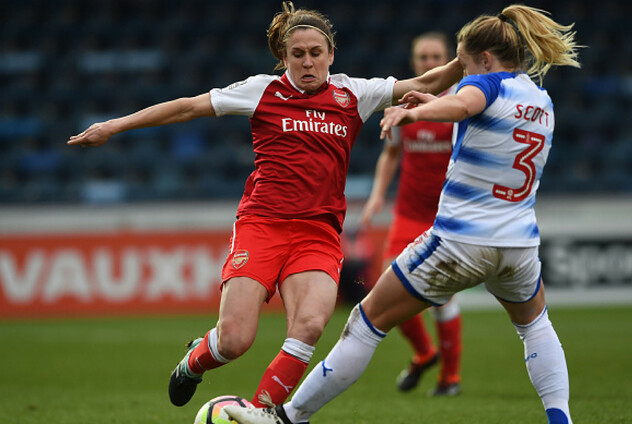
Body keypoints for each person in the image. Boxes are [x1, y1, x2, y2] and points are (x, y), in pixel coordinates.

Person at [67, 1, 463, 411]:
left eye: (316, 53)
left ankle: (259, 414)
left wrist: (466, 57)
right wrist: (114, 125)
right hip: (262, 225)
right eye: (297, 54)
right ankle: (193, 362)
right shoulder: (262, 90)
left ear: (331, 55)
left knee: (309, 327)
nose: (307, 62)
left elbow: (430, 81)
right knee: (235, 340)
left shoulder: (353, 92)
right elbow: (187, 106)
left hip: (318, 233)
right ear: (284, 57)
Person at [225, 4, 581, 424]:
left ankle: (288, 417)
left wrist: (414, 112)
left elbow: (464, 104)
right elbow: (477, 115)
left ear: (485, 60)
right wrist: (433, 101)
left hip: (462, 241)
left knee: (366, 321)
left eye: (464, 65)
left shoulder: (484, 83)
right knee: (536, 326)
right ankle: (560, 418)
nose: (463, 74)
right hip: (519, 244)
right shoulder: (540, 99)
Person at [360, 31, 462, 396]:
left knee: (442, 297)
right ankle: (424, 353)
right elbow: (390, 154)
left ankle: (450, 378)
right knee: (388, 289)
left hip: (447, 215)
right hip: (408, 213)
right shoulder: (405, 104)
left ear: (448, 61)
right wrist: (377, 195)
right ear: (414, 63)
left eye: (436, 57)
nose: (429, 63)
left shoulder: (462, 104)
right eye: (423, 58)